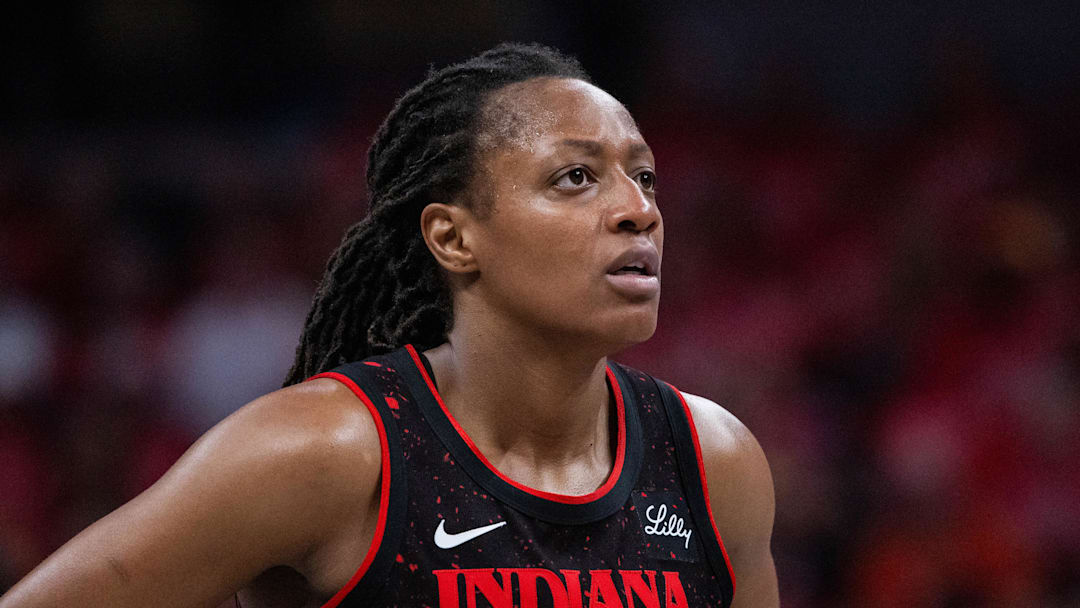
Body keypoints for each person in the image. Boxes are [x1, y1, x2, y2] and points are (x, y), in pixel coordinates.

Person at [0, 43, 777, 608]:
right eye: (575, 177)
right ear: (453, 237)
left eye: (644, 177)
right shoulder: (327, 453)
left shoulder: (712, 463)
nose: (640, 209)